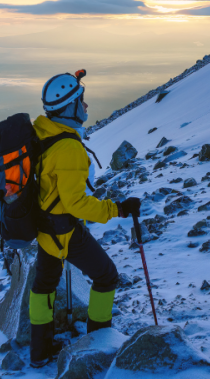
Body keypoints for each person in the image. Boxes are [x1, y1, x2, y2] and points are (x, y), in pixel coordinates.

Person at [29, 70, 141, 368]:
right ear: (68, 107)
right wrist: (116, 209)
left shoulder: (43, 130)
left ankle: (39, 351)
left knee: (44, 285)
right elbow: (76, 203)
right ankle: (100, 340)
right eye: (81, 100)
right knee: (106, 276)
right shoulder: (68, 147)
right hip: (64, 229)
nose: (86, 106)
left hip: (43, 226)